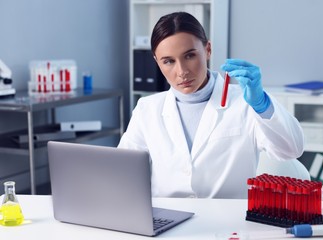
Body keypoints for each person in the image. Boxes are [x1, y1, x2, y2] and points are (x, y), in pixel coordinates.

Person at [118, 12, 304, 198]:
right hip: (167, 220)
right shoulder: (147, 109)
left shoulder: (246, 102)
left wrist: (262, 105)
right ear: (157, 62)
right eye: (168, 61)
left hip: (229, 222)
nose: (181, 71)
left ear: (208, 49)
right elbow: (122, 171)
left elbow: (291, 149)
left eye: (189, 56)